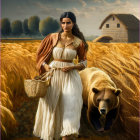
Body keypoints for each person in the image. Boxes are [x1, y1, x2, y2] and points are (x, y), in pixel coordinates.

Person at [33, 11, 88, 140]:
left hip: (71, 76)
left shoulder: (79, 42)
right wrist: (46, 66)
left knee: (71, 105)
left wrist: (73, 67)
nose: (65, 25)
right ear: (60, 23)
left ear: (73, 24)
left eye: (68, 22)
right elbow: (41, 58)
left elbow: (84, 62)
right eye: (63, 22)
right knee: (51, 105)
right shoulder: (52, 38)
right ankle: (51, 134)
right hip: (53, 75)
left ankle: (66, 136)